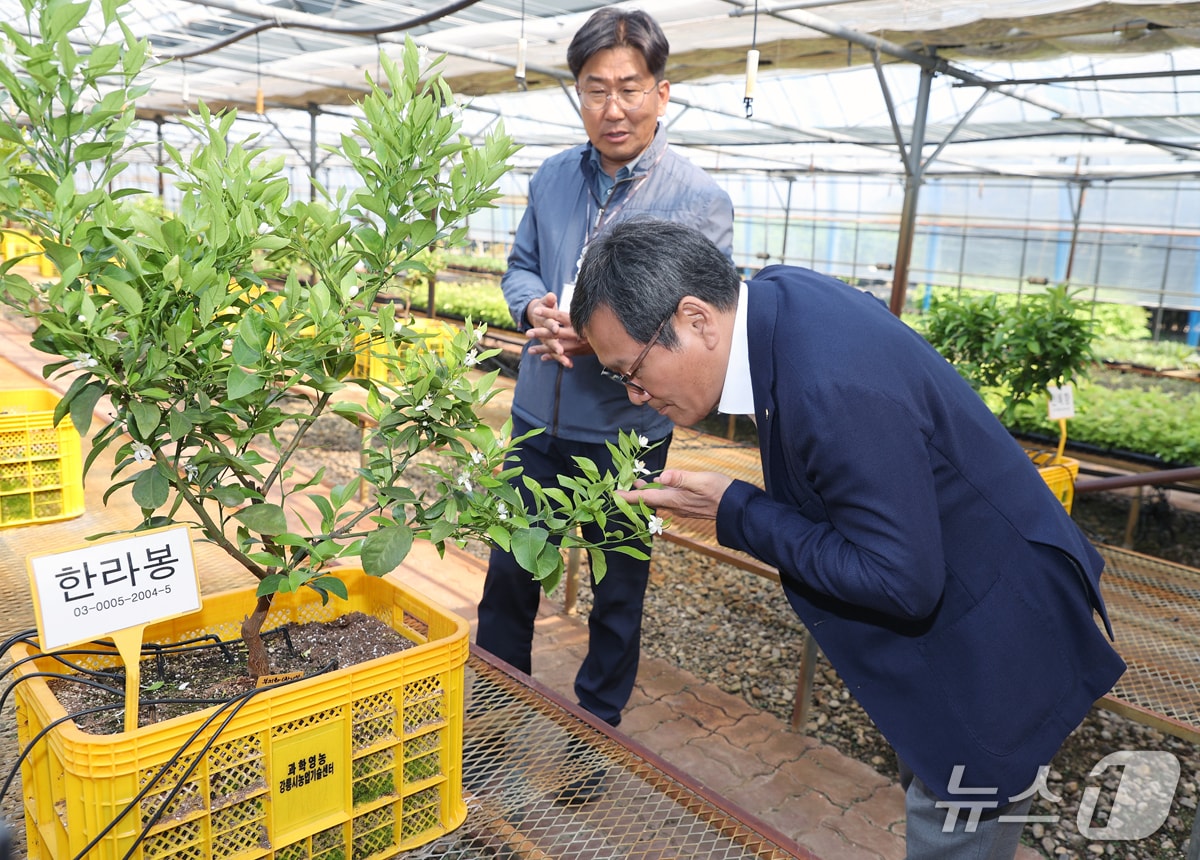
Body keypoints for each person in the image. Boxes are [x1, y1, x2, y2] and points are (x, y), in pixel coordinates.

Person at [569, 218, 1126, 858]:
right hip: (983, 595)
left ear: (697, 319)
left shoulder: (828, 384)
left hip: (995, 640)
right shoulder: (778, 301)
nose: (637, 396)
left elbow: (901, 580)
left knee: (956, 829)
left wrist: (738, 511)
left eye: (633, 370)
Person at [475, 7, 734, 730]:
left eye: (629, 87)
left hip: (627, 434)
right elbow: (521, 267)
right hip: (536, 420)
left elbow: (696, 322)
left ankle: (597, 731)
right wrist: (534, 312)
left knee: (618, 589)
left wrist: (598, 336)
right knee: (509, 574)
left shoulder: (697, 199)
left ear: (662, 91)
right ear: (577, 93)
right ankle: (496, 710)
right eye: (595, 88)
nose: (612, 108)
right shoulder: (554, 177)